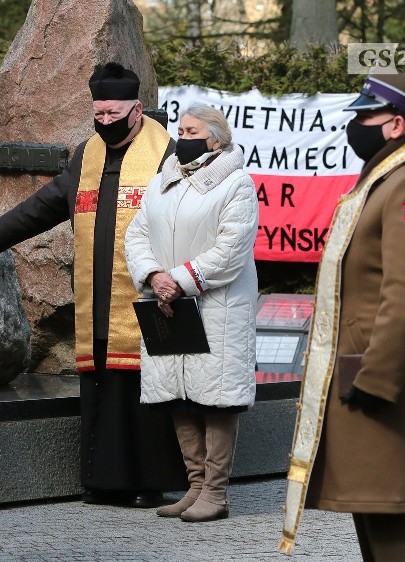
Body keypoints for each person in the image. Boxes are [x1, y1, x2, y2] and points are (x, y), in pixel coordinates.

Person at [0, 62, 185, 508]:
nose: (105, 122)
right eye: (99, 115)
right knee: (104, 388)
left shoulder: (167, 154)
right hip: (99, 298)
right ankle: (104, 481)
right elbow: (46, 205)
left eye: (113, 114)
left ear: (137, 109)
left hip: (150, 296)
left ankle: (150, 482)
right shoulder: (86, 155)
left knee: (145, 391)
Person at [280, 71, 405, 561]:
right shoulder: (385, 181)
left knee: (391, 509)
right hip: (364, 370)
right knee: (372, 506)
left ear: (396, 124)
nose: (356, 123)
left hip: (382, 377)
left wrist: (377, 379)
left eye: (366, 114)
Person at [124, 103, 258, 522]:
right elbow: (137, 234)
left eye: (192, 130)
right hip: (169, 305)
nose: (182, 136)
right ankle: (195, 486)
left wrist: (179, 279)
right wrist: (153, 276)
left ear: (215, 139)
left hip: (217, 307)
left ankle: (215, 493)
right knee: (179, 395)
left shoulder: (237, 184)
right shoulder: (161, 181)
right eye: (180, 129)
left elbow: (231, 249)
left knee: (215, 399)